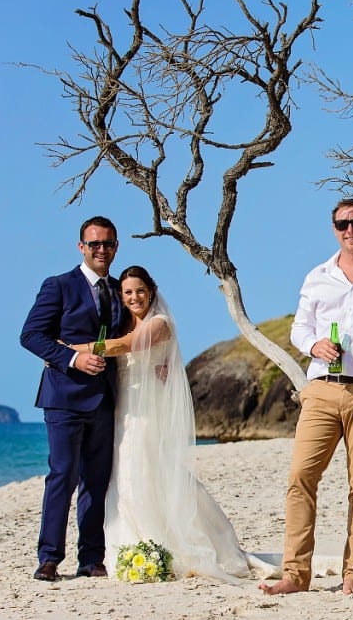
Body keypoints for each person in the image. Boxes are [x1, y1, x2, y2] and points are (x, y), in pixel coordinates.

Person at [64, 265, 270, 582]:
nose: (134, 297)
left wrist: (69, 351)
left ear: (152, 292)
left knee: (144, 467)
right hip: (122, 409)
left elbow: (123, 346)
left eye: (140, 291)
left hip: (146, 412)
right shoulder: (122, 322)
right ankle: (127, 545)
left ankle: (159, 544)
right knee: (122, 473)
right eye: (128, 292)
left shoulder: (160, 323)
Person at [260, 198, 353, 597]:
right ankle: (295, 574)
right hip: (322, 389)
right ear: (333, 229)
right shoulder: (318, 276)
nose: (351, 230)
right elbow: (299, 328)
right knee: (301, 477)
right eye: (343, 224)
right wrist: (314, 345)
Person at [20, 215, 122, 581]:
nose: (101, 250)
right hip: (64, 397)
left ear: (116, 247)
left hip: (106, 399)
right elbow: (31, 336)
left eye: (107, 243)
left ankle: (91, 560)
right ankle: (49, 559)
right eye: (94, 244)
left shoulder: (120, 289)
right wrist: (73, 358)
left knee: (96, 480)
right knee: (62, 476)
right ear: (81, 247)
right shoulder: (59, 286)